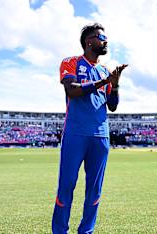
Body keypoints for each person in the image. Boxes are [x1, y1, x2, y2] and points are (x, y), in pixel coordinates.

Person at [52, 23, 128, 234]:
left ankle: (86, 230)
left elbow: (112, 106)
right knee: (66, 186)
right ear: (89, 41)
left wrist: (116, 84)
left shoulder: (105, 70)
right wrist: (103, 81)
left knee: (94, 190)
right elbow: (72, 90)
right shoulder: (71, 62)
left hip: (101, 136)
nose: (106, 40)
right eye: (101, 36)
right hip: (75, 133)